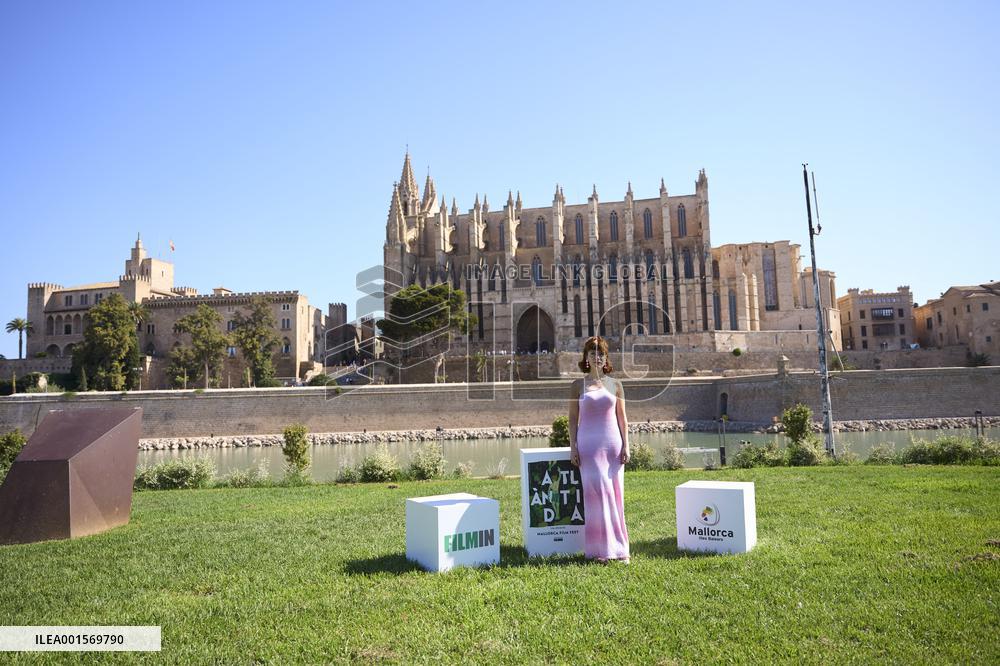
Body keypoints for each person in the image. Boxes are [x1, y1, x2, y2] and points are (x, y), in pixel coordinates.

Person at [569, 335, 630, 563]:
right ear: (586, 358)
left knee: (615, 495)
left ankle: (619, 549)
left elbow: (622, 418)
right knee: (595, 496)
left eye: (601, 353)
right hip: (589, 446)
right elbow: (572, 419)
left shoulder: (616, 384)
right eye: (592, 353)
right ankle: (598, 551)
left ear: (606, 358)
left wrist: (626, 444)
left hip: (612, 445)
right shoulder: (577, 386)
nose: (597, 357)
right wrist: (573, 447)